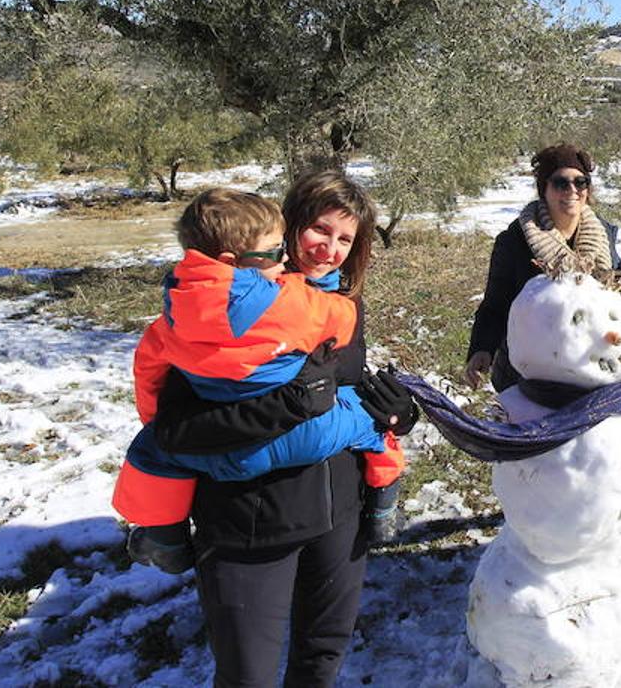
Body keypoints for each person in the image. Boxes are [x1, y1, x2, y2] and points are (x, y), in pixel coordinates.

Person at [145, 170, 417, 688]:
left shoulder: (341, 303)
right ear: (289, 226)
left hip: (338, 515)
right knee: (249, 675)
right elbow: (176, 431)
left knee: (322, 656)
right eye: (320, 230)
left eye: (345, 239)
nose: (330, 250)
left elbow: (347, 387)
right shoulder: (216, 311)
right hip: (250, 524)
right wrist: (287, 407)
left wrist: (399, 414)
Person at [112, 188, 406, 573]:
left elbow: (148, 368)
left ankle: (164, 536)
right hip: (305, 437)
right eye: (277, 250)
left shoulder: (178, 312)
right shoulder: (290, 301)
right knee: (370, 425)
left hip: (220, 455)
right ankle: (384, 508)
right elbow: (339, 319)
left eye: (345, 239)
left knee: (150, 455)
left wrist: (155, 423)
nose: (284, 258)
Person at [465, 143, 621, 390]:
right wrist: (481, 348)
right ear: (544, 189)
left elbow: (619, 284)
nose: (572, 190)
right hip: (531, 373)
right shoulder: (515, 242)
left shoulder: (602, 235)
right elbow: (496, 303)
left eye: (580, 182)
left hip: (589, 365)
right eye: (561, 182)